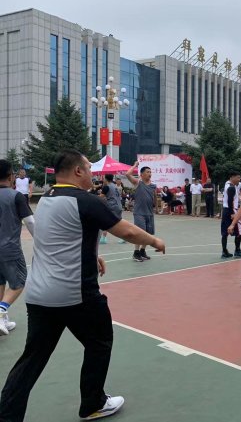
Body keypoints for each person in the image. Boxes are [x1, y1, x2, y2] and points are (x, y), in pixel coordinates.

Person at [0, 149, 165, 422]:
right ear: (77, 171)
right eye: (88, 168)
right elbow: (126, 230)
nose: (91, 173)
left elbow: (58, 236)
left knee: (32, 359)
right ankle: (93, 403)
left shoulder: (48, 198)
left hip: (40, 295)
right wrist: (154, 240)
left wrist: (92, 254)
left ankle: (7, 415)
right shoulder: (85, 200)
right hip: (75, 293)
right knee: (100, 341)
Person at [0, 160, 35, 335]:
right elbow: (30, 222)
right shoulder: (16, 196)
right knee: (19, 282)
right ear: (11, 176)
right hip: (9, 248)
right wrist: (41, 242)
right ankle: (1, 311)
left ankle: (2, 320)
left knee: (0, 282)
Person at [126, 161, 158, 262]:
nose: (150, 173)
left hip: (149, 213)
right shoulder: (138, 183)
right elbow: (127, 174)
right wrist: (135, 165)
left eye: (150, 172)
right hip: (139, 213)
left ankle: (142, 251)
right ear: (142, 174)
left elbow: (155, 197)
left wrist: (156, 208)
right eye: (147, 172)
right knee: (140, 233)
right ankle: (136, 253)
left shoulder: (153, 186)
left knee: (148, 234)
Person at [221, 172, 241, 258]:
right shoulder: (231, 188)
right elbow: (229, 201)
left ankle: (224, 251)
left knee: (224, 232)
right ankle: (237, 250)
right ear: (232, 177)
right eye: (238, 178)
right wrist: (232, 213)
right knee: (239, 231)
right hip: (232, 210)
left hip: (225, 210)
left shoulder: (227, 184)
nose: (239, 179)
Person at [99, 174, 125, 244]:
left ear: (106, 179)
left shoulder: (106, 187)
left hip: (112, 206)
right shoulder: (115, 186)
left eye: (104, 178)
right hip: (118, 205)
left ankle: (103, 238)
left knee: (105, 221)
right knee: (118, 223)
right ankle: (123, 237)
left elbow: (100, 197)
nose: (103, 180)